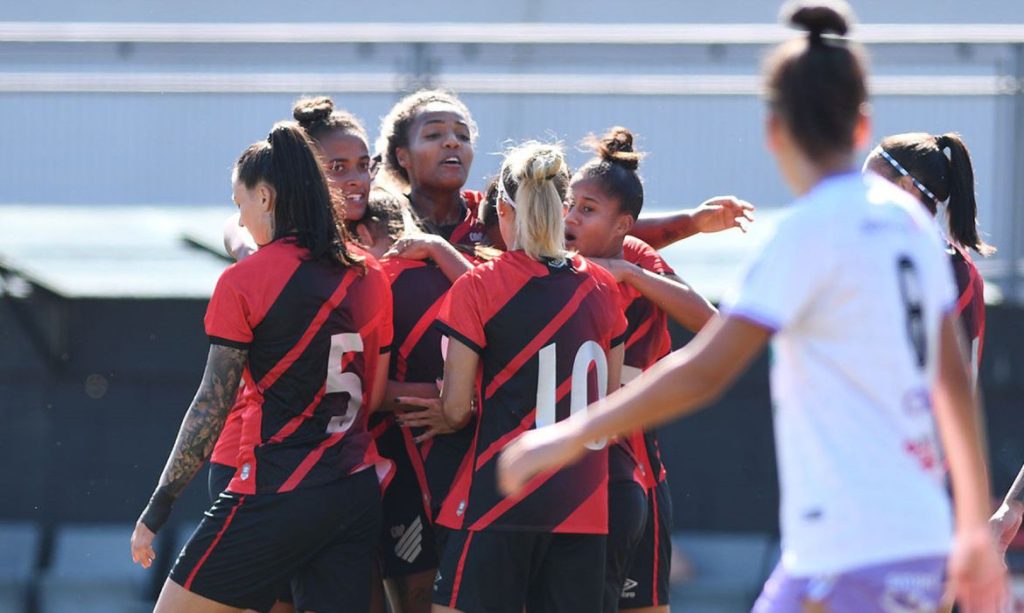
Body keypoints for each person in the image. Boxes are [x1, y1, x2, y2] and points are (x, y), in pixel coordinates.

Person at [497, 2, 1006, 611]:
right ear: (862, 124)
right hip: (911, 534)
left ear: (774, 131)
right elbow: (953, 385)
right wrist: (974, 528)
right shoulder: (911, 227)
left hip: (852, 547)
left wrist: (569, 434)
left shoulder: (808, 231)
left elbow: (705, 369)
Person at [130, 122, 393, 613]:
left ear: (266, 198)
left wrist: (159, 505)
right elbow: (374, 395)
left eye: (241, 203)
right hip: (353, 489)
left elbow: (211, 404)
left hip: (277, 487)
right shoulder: (370, 273)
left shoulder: (244, 281)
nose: (242, 218)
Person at [428, 141, 627, 613]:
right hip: (584, 504)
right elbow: (611, 403)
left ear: (502, 209)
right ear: (563, 209)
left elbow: (455, 411)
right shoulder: (603, 286)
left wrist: (443, 408)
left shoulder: (481, 283)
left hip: (505, 495)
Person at [564, 126, 716, 613]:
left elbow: (711, 323)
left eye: (587, 209)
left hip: (632, 459)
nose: (570, 217)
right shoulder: (547, 262)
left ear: (623, 226)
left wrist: (631, 273)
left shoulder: (634, 258)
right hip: (562, 458)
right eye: (568, 204)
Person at [863, 132, 993, 379]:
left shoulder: (948, 270)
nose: (859, 197)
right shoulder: (959, 267)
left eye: (867, 186)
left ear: (905, 187)